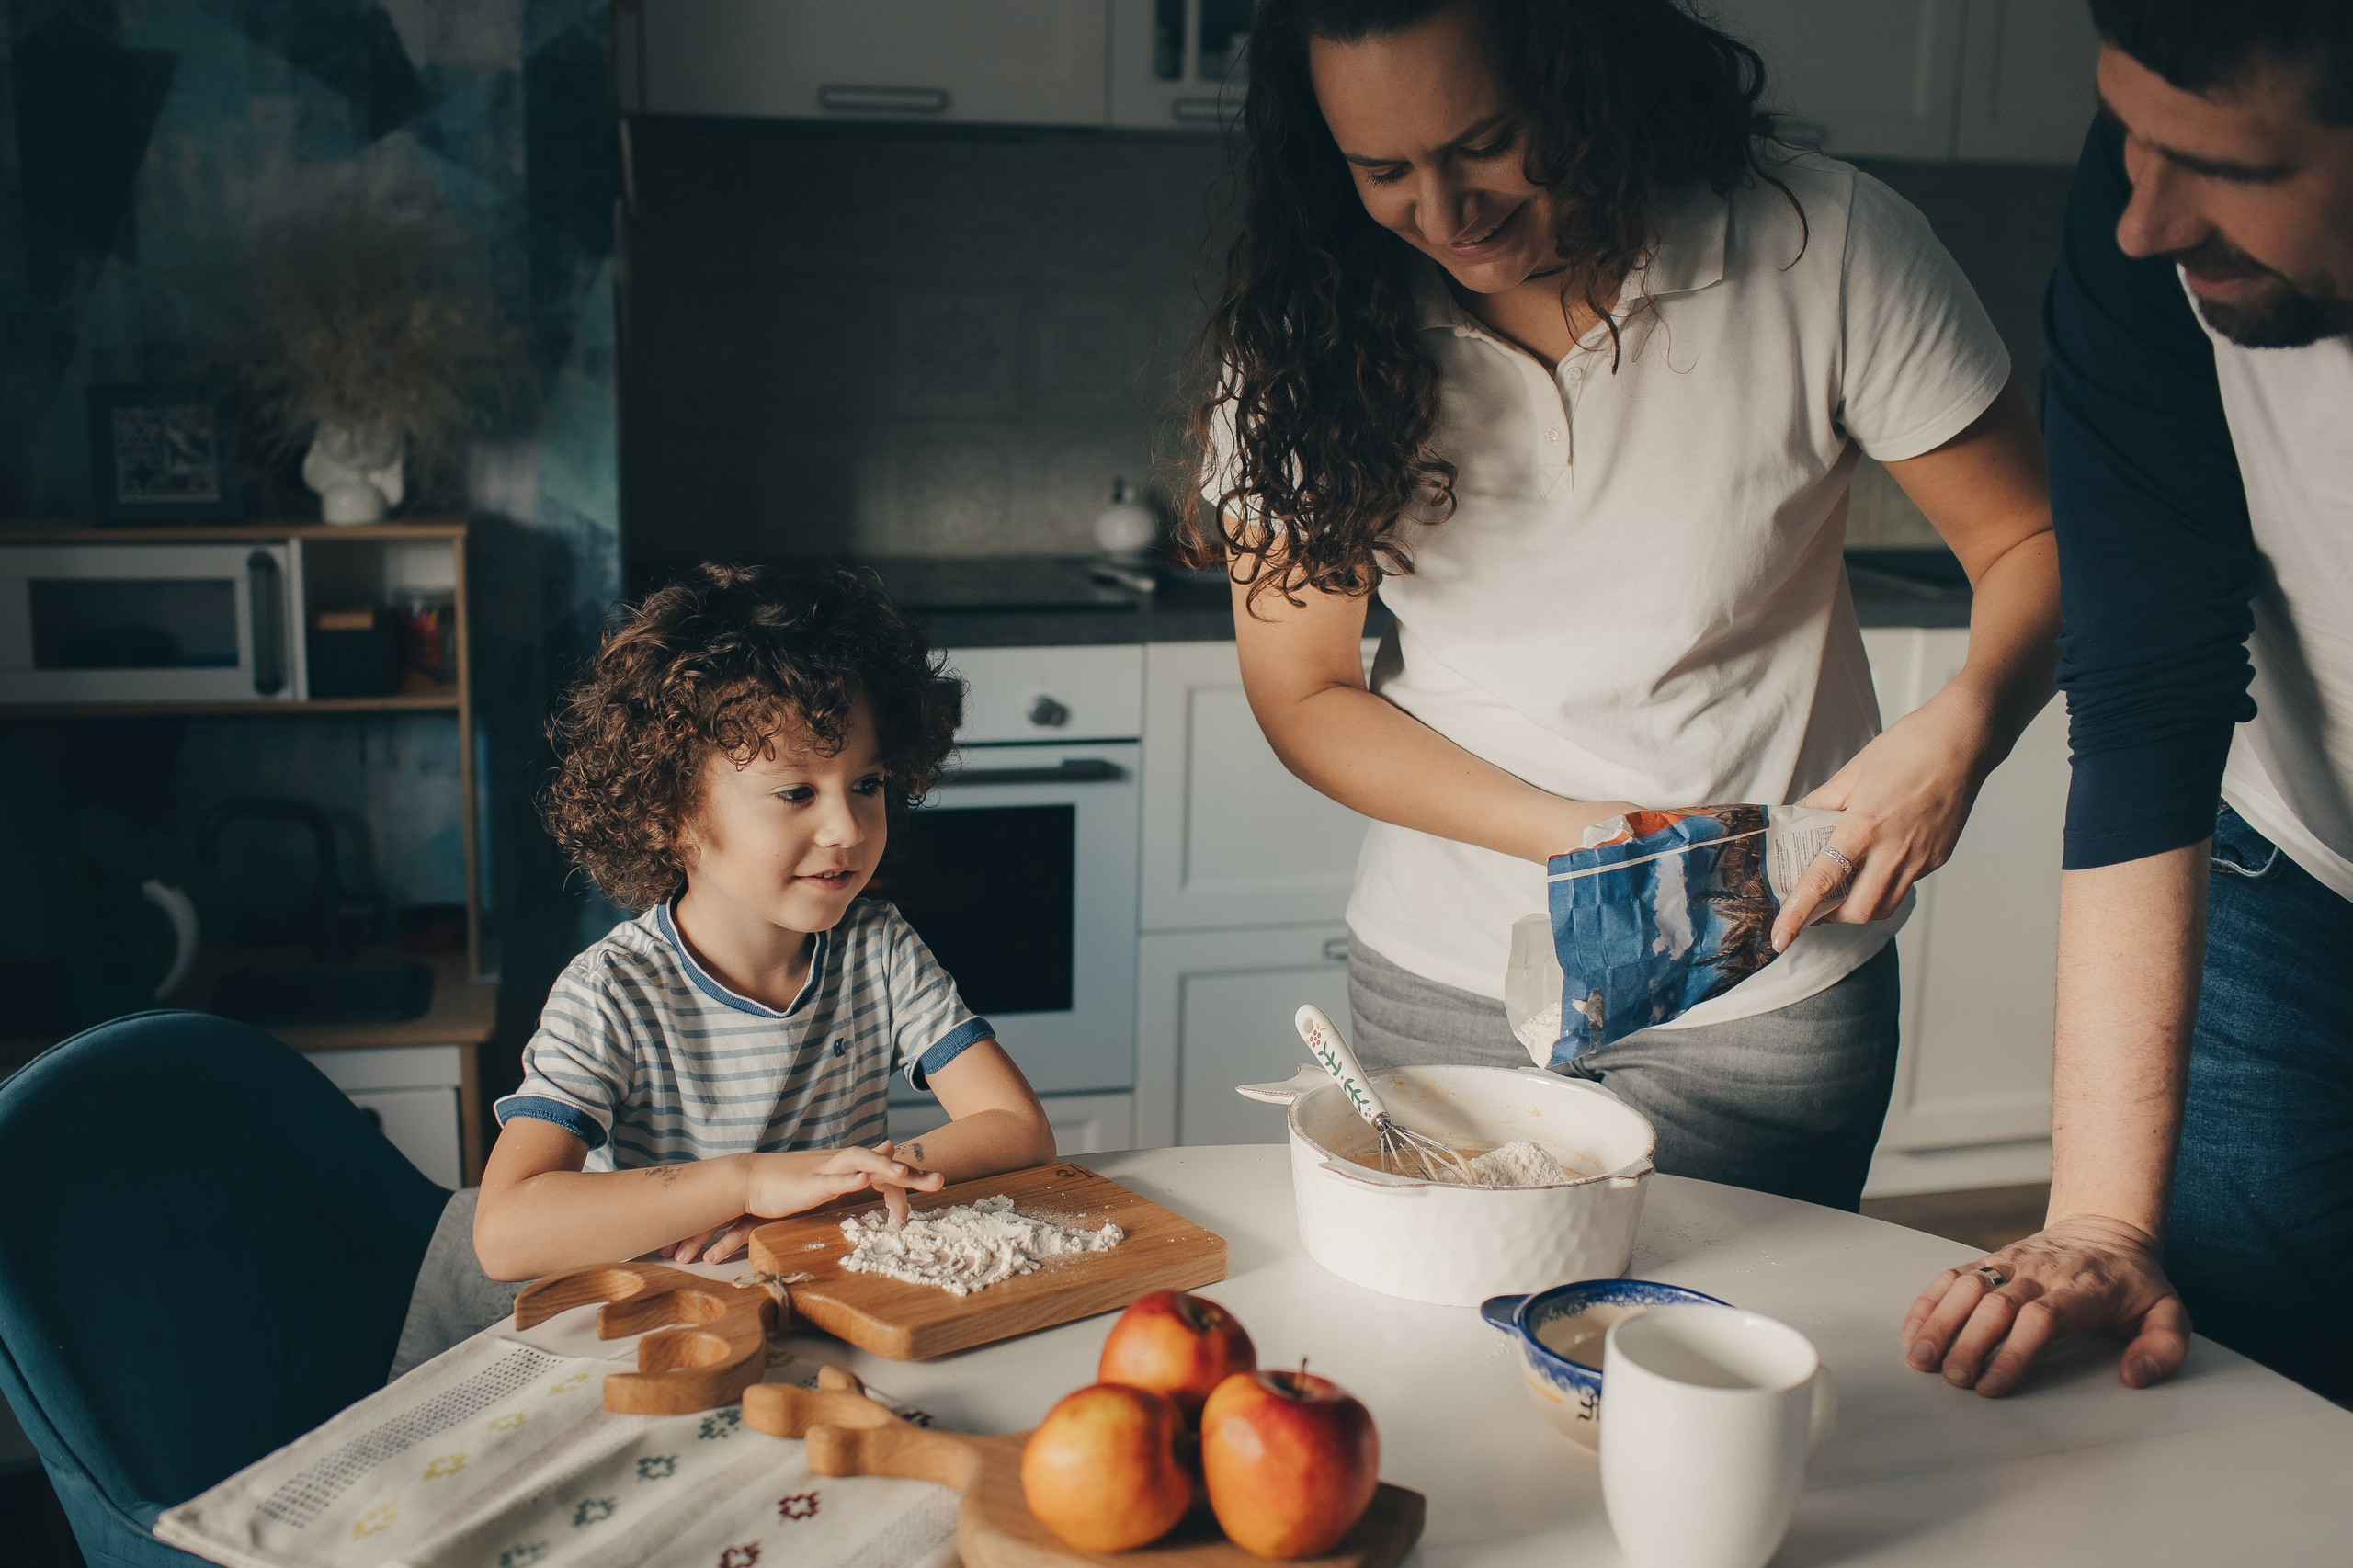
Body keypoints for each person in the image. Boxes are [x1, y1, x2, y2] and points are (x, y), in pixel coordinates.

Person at [1184, 0, 2062, 1210]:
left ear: (1585, 75)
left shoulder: (1824, 244)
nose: (1443, 214)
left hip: (1758, 985)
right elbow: (1304, 689)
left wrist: (1967, 727)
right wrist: (1584, 836)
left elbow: (2035, 538)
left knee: (1735, 1344)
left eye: (1486, 141)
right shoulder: (1307, 327)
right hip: (1448, 977)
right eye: (1384, 171)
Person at [1900, 1, 2353, 1403]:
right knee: (2243, 1390)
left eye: (2230, 166)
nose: (2144, 218)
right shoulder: (2141, 217)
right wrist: (2101, 1219)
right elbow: (2153, 680)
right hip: (2290, 868)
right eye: (2130, 137)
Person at [471, 563, 1056, 1281]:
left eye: (866, 784)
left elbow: (1020, 1129)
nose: (846, 826)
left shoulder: (877, 949)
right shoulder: (610, 994)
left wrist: (844, 1184)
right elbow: (505, 1232)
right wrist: (747, 1184)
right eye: (796, 791)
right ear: (672, 814)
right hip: (677, 1325)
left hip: (831, 1294)